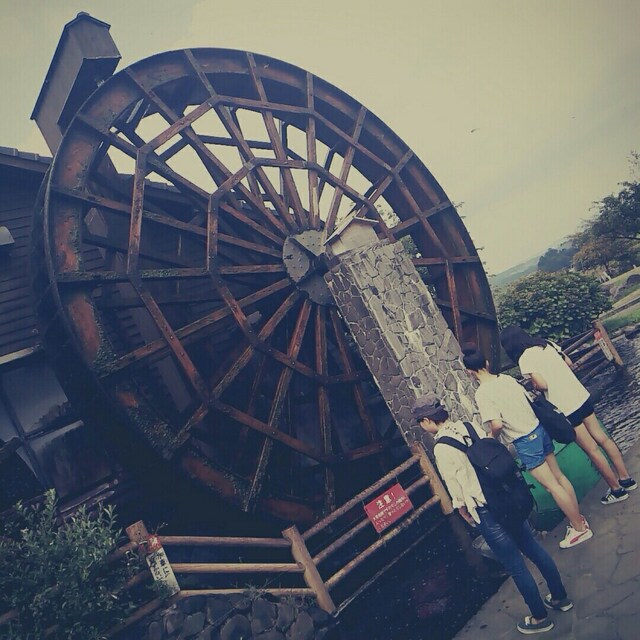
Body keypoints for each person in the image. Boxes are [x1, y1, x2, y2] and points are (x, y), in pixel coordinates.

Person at [413, 394, 572, 635]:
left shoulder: (442, 448)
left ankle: (540, 617)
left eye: (420, 422)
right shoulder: (469, 425)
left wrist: (464, 511)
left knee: (516, 565)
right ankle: (560, 597)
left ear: (426, 421)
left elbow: (456, 490)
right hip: (507, 499)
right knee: (533, 548)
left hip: (486, 510)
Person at [462, 347, 592, 549]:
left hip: (524, 440)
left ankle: (579, 528)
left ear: (469, 372)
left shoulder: (483, 393)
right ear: (486, 363)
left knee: (552, 486)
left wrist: (491, 438)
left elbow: (496, 423)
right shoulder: (506, 379)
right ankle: (578, 519)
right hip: (539, 430)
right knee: (558, 477)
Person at [500, 325, 637, 505]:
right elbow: (569, 363)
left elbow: (543, 384)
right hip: (580, 396)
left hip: (566, 407)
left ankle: (616, 490)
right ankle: (626, 478)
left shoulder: (525, 359)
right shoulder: (545, 344)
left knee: (592, 449)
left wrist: (535, 385)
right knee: (603, 439)